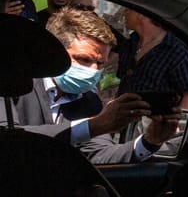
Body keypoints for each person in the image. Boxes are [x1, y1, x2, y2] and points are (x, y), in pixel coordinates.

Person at [0, 10, 174, 164]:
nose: (93, 70)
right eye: (84, 59)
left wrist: (150, 141)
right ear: (57, 55)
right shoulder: (12, 86)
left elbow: (100, 154)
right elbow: (10, 139)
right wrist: (96, 125)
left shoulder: (90, 103)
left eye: (100, 63)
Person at [117, 7, 188, 111]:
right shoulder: (129, 44)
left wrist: (178, 124)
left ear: (142, 14)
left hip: (155, 122)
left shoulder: (175, 51)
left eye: (128, 9)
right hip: (124, 121)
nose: (123, 13)